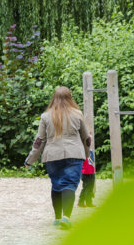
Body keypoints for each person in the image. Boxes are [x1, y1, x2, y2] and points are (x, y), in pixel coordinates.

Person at [25, 86, 91, 229]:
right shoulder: (77, 114)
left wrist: (30, 159)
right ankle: (66, 218)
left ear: (53, 98)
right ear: (70, 97)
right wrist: (86, 154)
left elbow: (39, 141)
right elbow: (86, 138)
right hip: (74, 154)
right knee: (69, 185)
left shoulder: (45, 116)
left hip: (52, 156)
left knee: (57, 185)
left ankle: (57, 218)